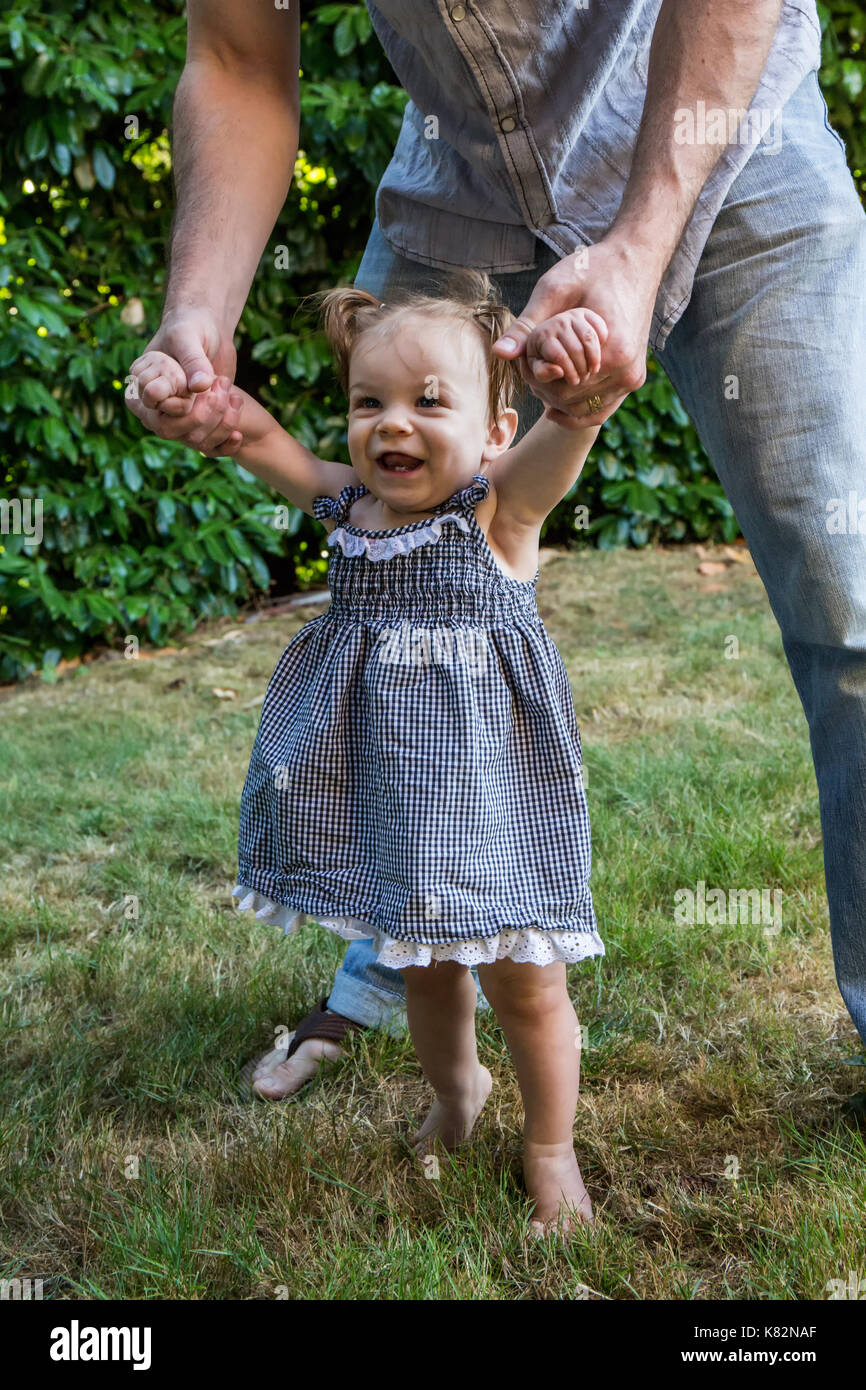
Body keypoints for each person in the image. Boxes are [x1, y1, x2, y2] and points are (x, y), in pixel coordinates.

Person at [125, 0, 866, 1115]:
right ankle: (398, 961)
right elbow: (236, 56)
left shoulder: (514, 476)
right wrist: (196, 319)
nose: (385, 416)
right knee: (384, 633)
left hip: (728, 137)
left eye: (423, 403)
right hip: (461, 185)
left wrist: (635, 246)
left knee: (849, 598)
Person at [129, 272, 610, 1234]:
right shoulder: (350, 508)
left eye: (431, 402)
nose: (394, 423)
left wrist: (583, 401)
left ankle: (550, 1146)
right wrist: (210, 406)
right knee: (426, 965)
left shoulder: (498, 513)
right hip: (395, 805)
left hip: (494, 808)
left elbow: (565, 441)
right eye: (369, 401)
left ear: (493, 433)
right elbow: (267, 446)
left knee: (527, 978)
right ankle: (457, 1091)